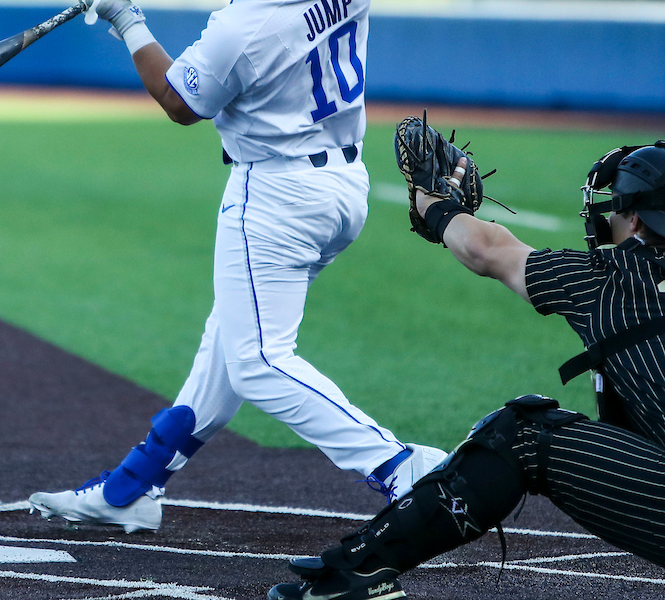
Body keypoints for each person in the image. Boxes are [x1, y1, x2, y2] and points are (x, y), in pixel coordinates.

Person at [28, 0, 446, 534]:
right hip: (342, 188)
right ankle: (132, 489)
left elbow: (178, 101)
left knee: (255, 363)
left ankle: (403, 467)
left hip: (274, 197)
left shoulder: (244, 26)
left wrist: (126, 18)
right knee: (224, 350)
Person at [267, 142, 665, 600]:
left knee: (523, 432)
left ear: (634, 219)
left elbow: (486, 248)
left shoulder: (612, 280)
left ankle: (361, 573)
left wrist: (436, 205)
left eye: (614, 207)